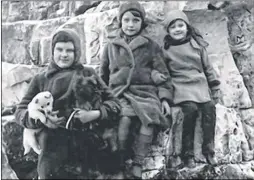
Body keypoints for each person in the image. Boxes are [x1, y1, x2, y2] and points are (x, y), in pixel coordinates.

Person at [15, 28, 121, 179]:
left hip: (85, 140)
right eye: (59, 49)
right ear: (52, 51)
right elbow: (20, 112)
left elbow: (115, 103)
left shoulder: (88, 73)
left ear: (77, 52)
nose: (64, 55)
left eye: (69, 50)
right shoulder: (41, 79)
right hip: (53, 145)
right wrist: (38, 119)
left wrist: (94, 114)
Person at [100, 2, 173, 178]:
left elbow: (163, 74)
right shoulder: (111, 46)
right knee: (124, 119)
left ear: (142, 23)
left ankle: (138, 162)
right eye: (126, 20)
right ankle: (121, 160)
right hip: (120, 93)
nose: (131, 24)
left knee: (149, 119)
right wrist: (101, 98)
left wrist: (164, 99)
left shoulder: (151, 46)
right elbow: (102, 76)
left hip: (145, 93)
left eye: (135, 20)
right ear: (120, 22)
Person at [162, 10, 221, 168]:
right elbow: (164, 73)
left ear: (187, 27)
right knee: (191, 110)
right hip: (180, 86)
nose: (178, 29)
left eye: (181, 25)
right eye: (173, 27)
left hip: (199, 84)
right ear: (168, 31)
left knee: (209, 109)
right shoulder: (166, 50)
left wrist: (214, 85)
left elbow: (207, 67)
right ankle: (187, 153)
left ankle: (209, 150)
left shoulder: (197, 45)